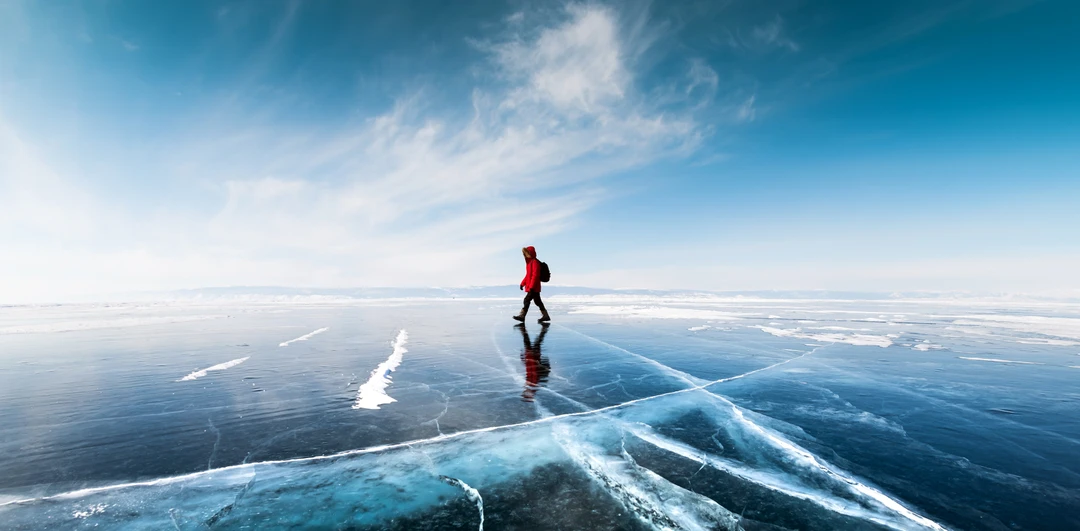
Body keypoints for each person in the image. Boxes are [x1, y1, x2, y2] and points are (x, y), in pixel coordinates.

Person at [514, 246, 550, 323]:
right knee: (538, 301)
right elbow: (528, 275)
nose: (526, 255)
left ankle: (522, 316)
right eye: (525, 253)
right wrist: (522, 283)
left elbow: (535, 275)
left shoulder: (535, 262)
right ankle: (545, 315)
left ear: (531, 253)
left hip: (534, 287)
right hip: (532, 286)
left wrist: (532, 287)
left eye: (527, 253)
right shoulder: (529, 263)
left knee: (526, 300)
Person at [517, 323, 551, 402]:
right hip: (533, 356)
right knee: (535, 341)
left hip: (530, 356)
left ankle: (525, 329)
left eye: (524, 393)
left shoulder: (529, 385)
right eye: (525, 394)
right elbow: (534, 372)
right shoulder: (533, 385)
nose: (524, 392)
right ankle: (543, 329)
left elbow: (529, 371)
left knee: (531, 341)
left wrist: (524, 359)